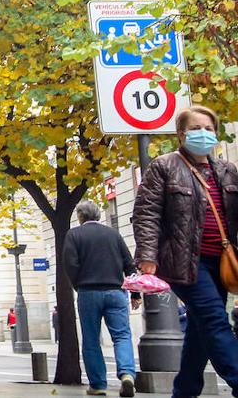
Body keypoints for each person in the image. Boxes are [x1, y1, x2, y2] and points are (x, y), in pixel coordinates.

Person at [133, 105, 238, 398]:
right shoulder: (164, 166)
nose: (203, 133)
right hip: (183, 262)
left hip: (222, 263)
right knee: (215, 320)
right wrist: (147, 257)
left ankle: (185, 391)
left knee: (200, 327)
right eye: (195, 128)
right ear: (181, 134)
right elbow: (147, 214)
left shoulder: (226, 170)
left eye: (208, 128)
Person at [62, 200, 140, 398]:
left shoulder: (74, 235)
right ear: (97, 215)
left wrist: (78, 285)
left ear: (80, 216)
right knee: (122, 335)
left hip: (88, 292)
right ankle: (127, 375)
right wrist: (136, 294)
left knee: (91, 339)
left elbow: (70, 264)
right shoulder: (113, 234)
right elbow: (130, 265)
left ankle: (98, 384)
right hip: (116, 291)